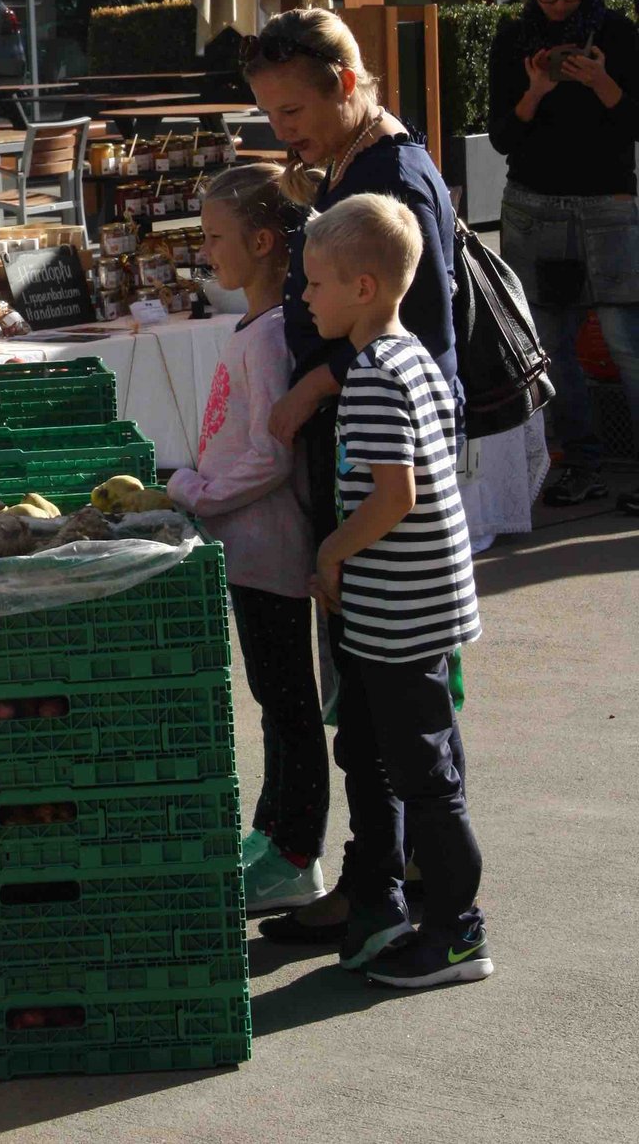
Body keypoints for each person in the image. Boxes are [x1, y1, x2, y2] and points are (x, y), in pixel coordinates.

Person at [242, 6, 458, 943]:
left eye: (292, 111)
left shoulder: (390, 174)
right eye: (269, 114)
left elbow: (424, 335)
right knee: (369, 712)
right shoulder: (352, 163)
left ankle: (404, 900)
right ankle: (381, 886)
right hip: (365, 470)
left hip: (379, 490)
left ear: (342, 84)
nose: (281, 130)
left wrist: (314, 384)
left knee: (387, 713)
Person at [303, 194, 489, 988]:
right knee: (425, 765)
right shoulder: (411, 357)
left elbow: (394, 495)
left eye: (316, 284)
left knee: (426, 780)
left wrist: (331, 553)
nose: (306, 297)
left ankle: (457, 932)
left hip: (400, 613)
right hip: (426, 601)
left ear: (364, 287)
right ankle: (436, 918)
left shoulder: (375, 376)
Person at [166, 164, 329, 920]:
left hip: (272, 551)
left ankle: (298, 855)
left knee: (288, 702)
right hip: (249, 549)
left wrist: (196, 492)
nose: (206, 253)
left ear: (263, 242)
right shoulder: (257, 328)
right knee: (273, 698)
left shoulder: (270, 339)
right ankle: (275, 833)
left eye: (215, 238)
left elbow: (271, 456)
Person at [488, 0, 639, 508]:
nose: (560, 6)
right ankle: (580, 462)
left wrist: (602, 82)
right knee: (549, 344)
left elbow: (635, 122)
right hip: (535, 205)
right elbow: (503, 136)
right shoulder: (514, 40)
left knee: (627, 341)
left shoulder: (618, 34)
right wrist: (534, 92)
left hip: (608, 204)